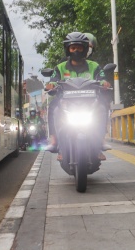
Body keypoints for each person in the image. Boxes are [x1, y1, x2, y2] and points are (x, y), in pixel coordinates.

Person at [44, 32, 110, 161]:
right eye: (73, 48)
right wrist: (50, 86)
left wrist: (105, 83)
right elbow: (53, 81)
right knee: (53, 107)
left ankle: (100, 142)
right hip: (66, 102)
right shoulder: (60, 67)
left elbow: (102, 78)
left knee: (103, 106)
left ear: (84, 49)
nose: (76, 50)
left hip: (90, 102)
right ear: (68, 49)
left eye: (79, 47)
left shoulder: (94, 66)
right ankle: (55, 142)